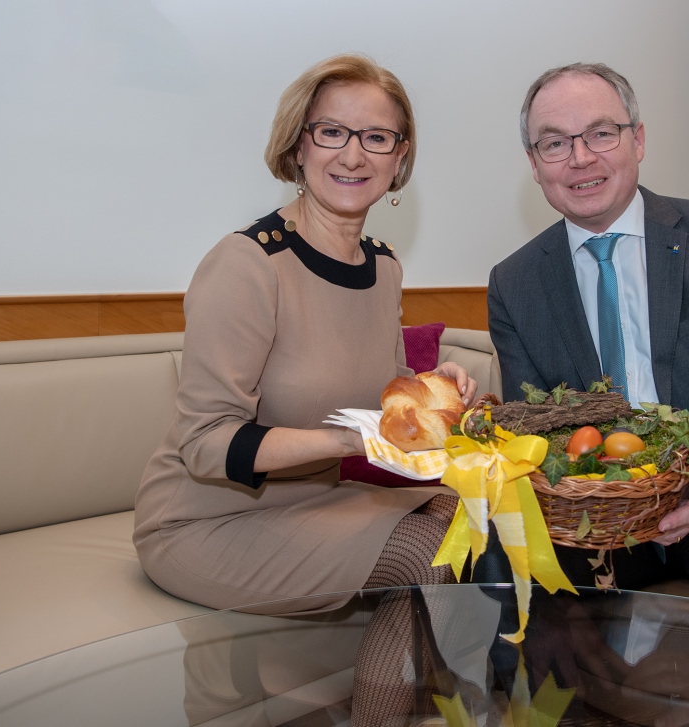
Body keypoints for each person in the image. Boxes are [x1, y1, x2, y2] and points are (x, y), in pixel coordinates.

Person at [133, 54, 477, 726]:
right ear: (299, 145)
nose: (354, 154)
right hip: (207, 519)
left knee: (470, 512)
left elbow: (373, 394)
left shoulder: (382, 266)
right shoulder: (248, 263)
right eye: (332, 132)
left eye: (376, 136)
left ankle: (383, 705)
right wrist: (346, 439)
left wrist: (435, 388)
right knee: (430, 555)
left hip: (313, 503)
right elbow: (206, 445)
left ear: (399, 157)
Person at [486, 63, 689, 604]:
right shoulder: (514, 283)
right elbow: (536, 435)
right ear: (533, 164)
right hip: (593, 522)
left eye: (600, 133)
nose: (580, 157)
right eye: (554, 143)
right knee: (500, 584)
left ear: (637, 140)